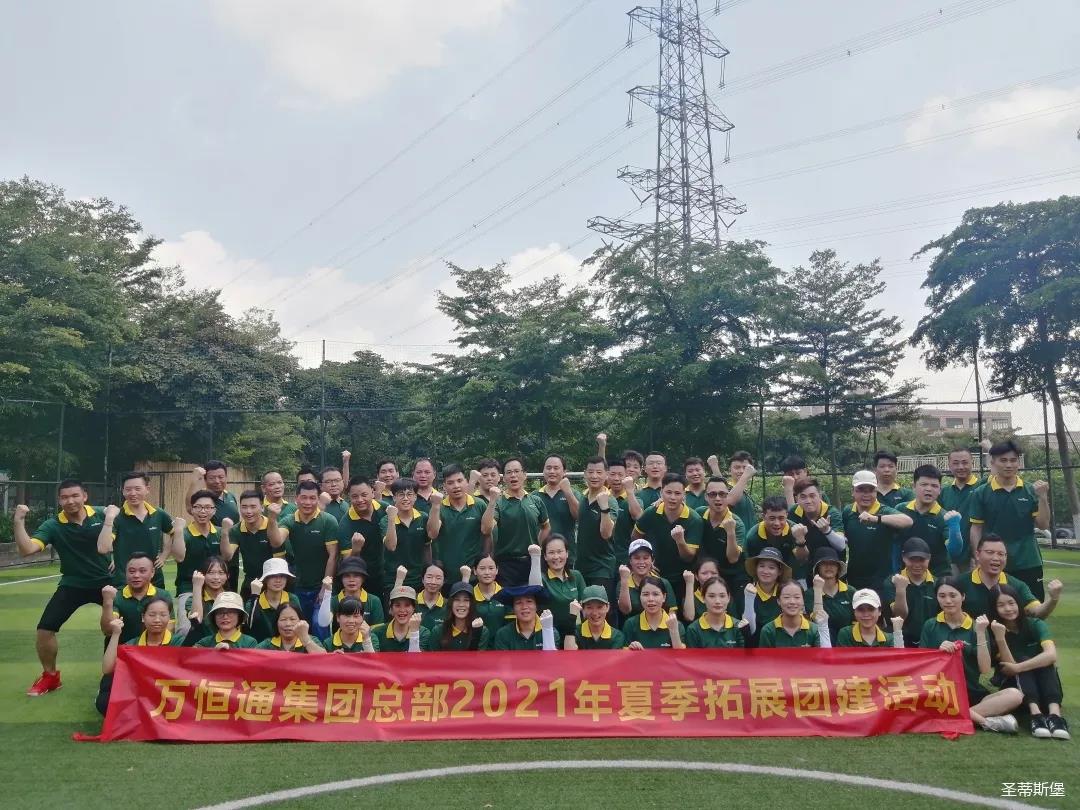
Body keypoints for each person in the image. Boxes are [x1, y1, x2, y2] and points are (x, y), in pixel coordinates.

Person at [14, 482, 111, 696]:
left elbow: (127, 532)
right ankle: (51, 677)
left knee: (114, 627)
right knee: (45, 629)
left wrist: (120, 559)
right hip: (73, 584)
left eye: (75, 495)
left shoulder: (103, 514)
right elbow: (27, 549)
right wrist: (18, 521)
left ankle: (112, 676)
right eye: (65, 497)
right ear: (59, 500)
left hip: (107, 582)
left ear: (85, 496)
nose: (70, 501)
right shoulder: (53, 525)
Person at [918, 577, 1023, 733]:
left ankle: (957, 715)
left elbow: (985, 669)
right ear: (937, 598)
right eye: (942, 596)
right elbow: (921, 665)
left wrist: (980, 633)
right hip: (940, 691)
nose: (948, 601)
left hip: (970, 691)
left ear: (963, 596)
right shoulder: (930, 625)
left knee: (1015, 695)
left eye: (953, 595)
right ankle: (985, 722)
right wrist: (938, 653)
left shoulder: (976, 626)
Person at [969, 440, 1050, 599]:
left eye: (1013, 460)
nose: (1009, 465)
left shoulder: (1030, 490)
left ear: (1019, 462)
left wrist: (1043, 497)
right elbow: (976, 528)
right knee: (996, 607)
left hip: (1028, 561)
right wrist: (978, 557)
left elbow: (1043, 524)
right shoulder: (981, 493)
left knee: (1032, 607)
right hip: (994, 562)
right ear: (993, 463)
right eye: (1003, 460)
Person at [988, 584, 1070, 740]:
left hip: (1043, 685)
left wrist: (1019, 667)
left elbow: (1051, 655)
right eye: (1001, 605)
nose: (1008, 608)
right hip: (1015, 688)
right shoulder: (993, 631)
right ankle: (1036, 715)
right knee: (1024, 659)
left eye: (1011, 603)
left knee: (1043, 661)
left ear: (1018, 603)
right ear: (994, 608)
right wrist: (1000, 637)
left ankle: (1055, 716)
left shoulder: (1035, 624)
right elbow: (1009, 665)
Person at [97, 597, 184, 715]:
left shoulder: (180, 642)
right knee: (104, 699)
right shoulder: (133, 644)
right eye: (152, 615)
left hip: (168, 693)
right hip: (139, 692)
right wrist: (116, 634)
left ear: (169, 617)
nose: (157, 620)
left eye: (163, 615)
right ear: (143, 617)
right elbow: (107, 669)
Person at [98, 472, 182, 589]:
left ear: (147, 489)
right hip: (125, 581)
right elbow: (103, 548)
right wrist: (109, 519)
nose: (133, 493)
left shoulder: (158, 514)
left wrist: (164, 555)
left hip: (154, 580)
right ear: (123, 491)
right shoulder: (117, 517)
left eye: (137, 489)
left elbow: (175, 534)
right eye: (128, 489)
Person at [277, 479, 339, 625]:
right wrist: (273, 519)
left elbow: (333, 556)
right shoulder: (289, 521)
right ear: (296, 498)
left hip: (321, 585)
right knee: (298, 626)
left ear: (318, 500)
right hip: (297, 585)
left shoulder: (328, 521)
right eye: (304, 497)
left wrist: (325, 588)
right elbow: (277, 541)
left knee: (320, 625)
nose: (308, 502)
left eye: (312, 498)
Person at [631, 472, 703, 597]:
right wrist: (647, 561)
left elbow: (689, 557)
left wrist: (680, 541)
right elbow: (635, 537)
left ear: (684, 495)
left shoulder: (694, 519)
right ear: (661, 493)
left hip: (682, 577)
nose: (672, 497)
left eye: (677, 493)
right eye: (668, 492)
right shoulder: (651, 512)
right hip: (654, 575)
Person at [957, 534, 1061, 620]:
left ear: (1006, 557)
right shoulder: (960, 584)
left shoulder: (1017, 585)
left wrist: (1053, 599)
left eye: (1001, 554)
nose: (996, 558)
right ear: (977, 555)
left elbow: (1037, 612)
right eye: (990, 553)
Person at [481, 458, 550, 586]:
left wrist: (538, 546)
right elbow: (486, 529)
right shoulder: (499, 503)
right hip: (506, 565)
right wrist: (492, 501)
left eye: (517, 471)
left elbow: (546, 527)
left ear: (524, 475)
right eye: (509, 472)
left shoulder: (536, 501)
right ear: (504, 478)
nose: (513, 475)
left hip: (532, 561)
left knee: (533, 596)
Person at [842, 470, 912, 591]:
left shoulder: (884, 511)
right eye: (861, 490)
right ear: (853, 491)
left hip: (881, 579)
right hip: (854, 578)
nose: (866, 495)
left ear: (876, 492)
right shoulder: (848, 511)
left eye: (871, 490)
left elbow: (908, 521)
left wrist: (875, 518)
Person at [897, 465, 963, 579]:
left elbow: (954, 551)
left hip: (938, 577)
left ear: (939, 490)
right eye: (924, 484)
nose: (929, 489)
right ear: (914, 487)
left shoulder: (944, 517)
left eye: (934, 486)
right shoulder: (900, 509)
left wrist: (954, 527)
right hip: (905, 576)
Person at [219, 489, 287, 598]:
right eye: (244, 507)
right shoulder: (236, 530)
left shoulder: (273, 527)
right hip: (250, 581)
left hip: (272, 581)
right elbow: (227, 556)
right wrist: (225, 532)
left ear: (262, 507)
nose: (248, 511)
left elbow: (280, 559)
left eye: (253, 507)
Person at [695, 476, 747, 613]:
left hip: (732, 576)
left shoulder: (737, 523)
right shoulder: (699, 513)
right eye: (713, 494)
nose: (718, 498)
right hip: (706, 574)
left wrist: (730, 532)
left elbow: (733, 558)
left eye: (722, 494)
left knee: (735, 614)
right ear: (706, 497)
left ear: (727, 496)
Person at [428, 463, 487, 577]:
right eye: (450, 483)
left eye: (459, 481)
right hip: (446, 574)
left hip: (474, 574)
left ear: (466, 481)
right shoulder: (439, 508)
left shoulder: (479, 505)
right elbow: (432, 534)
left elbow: (487, 534)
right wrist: (435, 507)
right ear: (444, 486)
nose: (456, 486)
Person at [99, 552, 172, 645]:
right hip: (121, 650)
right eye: (132, 571)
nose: (136, 575)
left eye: (142, 571)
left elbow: (169, 629)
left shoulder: (163, 596)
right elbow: (108, 630)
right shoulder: (116, 596)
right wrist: (107, 603)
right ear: (125, 573)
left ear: (152, 572)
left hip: (152, 650)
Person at [174, 490, 220, 627]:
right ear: (191, 510)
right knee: (186, 629)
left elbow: (227, 557)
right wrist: (178, 531)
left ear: (214, 510)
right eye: (198, 507)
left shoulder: (219, 532)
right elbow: (179, 557)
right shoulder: (184, 533)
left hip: (216, 588)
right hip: (188, 588)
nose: (202, 511)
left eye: (207, 507)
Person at [883, 538, 940, 647]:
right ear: (903, 558)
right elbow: (900, 616)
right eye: (912, 559)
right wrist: (900, 589)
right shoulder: (891, 582)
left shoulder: (937, 584)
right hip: (900, 640)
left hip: (930, 641)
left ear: (929, 558)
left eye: (921, 560)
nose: (917, 564)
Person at [786, 478, 846, 583]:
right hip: (807, 571)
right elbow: (800, 557)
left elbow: (841, 546)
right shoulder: (793, 513)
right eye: (803, 497)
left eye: (812, 496)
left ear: (820, 496)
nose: (808, 501)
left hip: (832, 571)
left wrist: (827, 531)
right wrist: (800, 541)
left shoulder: (832, 513)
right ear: (796, 499)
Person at [575, 456, 618, 600]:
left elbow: (606, 534)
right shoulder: (583, 498)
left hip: (602, 568)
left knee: (600, 608)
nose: (594, 476)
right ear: (585, 474)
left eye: (599, 472)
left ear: (606, 474)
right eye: (591, 472)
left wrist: (604, 508)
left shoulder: (610, 501)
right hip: (581, 567)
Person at [338, 475, 386, 603]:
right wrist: (356, 549)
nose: (360, 500)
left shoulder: (385, 509)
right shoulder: (345, 524)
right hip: (363, 579)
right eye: (355, 496)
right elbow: (347, 562)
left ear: (372, 492)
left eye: (364, 495)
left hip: (387, 574)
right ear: (349, 497)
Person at [381, 477, 430, 593]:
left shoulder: (423, 518)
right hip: (392, 579)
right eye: (401, 495)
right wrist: (392, 519)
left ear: (415, 497)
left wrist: (427, 572)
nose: (406, 498)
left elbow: (427, 547)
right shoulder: (386, 520)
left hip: (418, 579)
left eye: (409, 494)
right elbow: (391, 546)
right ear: (394, 497)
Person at [533, 535, 587, 638]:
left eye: (560, 551)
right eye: (551, 552)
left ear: (567, 553)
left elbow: (585, 605)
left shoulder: (576, 576)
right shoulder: (540, 578)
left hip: (574, 634)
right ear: (545, 556)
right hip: (550, 634)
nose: (556, 557)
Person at [940, 446, 984, 568]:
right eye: (955, 463)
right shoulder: (944, 492)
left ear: (972, 463)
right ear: (949, 465)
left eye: (965, 462)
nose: (960, 467)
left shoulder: (982, 487)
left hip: (977, 558)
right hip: (950, 559)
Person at [757, 580, 830, 648]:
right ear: (778, 601)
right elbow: (764, 657)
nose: (792, 601)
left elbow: (821, 656)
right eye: (786, 597)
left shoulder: (813, 630)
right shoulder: (768, 630)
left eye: (797, 597)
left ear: (803, 600)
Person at [747, 496, 802, 585]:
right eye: (772, 518)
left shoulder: (795, 531)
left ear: (786, 515)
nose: (777, 523)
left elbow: (802, 558)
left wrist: (801, 541)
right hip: (764, 577)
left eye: (781, 518)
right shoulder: (753, 536)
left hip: (793, 577)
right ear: (763, 517)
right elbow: (751, 566)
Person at [245, 558, 303, 642]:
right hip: (260, 647)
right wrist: (254, 596)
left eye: (282, 576)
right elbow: (249, 626)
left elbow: (299, 625)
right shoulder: (253, 601)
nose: (278, 580)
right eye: (273, 576)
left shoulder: (292, 599)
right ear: (265, 579)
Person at [321, 555, 384, 631]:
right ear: (341, 579)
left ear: (363, 578)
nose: (351, 580)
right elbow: (323, 623)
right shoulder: (334, 601)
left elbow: (377, 631)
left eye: (356, 576)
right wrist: (327, 592)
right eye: (347, 576)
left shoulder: (374, 601)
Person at [741, 546, 790, 645]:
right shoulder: (745, 592)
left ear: (779, 571)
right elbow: (746, 628)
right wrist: (749, 598)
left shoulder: (786, 593)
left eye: (771, 567)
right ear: (756, 568)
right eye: (761, 566)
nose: (765, 571)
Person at [617, 539, 677, 618]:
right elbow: (625, 610)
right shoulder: (623, 583)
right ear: (630, 561)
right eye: (637, 558)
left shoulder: (663, 582)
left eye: (645, 558)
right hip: (632, 625)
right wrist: (624, 580)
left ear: (652, 561)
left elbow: (672, 613)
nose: (641, 562)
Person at [537, 455, 580, 564]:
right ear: (543, 471)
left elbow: (579, 517)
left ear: (564, 472)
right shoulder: (534, 496)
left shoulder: (574, 494)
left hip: (567, 556)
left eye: (556, 468)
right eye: (548, 468)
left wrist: (567, 491)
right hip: (541, 556)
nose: (552, 471)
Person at [684, 576, 748, 649]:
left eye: (722, 596)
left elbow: (743, 655)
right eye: (711, 596)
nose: (717, 601)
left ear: (728, 598)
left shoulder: (738, 626)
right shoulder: (693, 629)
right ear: (703, 598)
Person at [803, 547, 853, 640]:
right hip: (821, 640)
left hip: (848, 642)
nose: (829, 567)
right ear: (817, 568)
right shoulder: (809, 594)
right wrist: (818, 590)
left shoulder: (851, 591)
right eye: (824, 563)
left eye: (833, 563)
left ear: (838, 568)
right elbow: (818, 620)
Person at [621, 578, 685, 650]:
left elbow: (680, 655)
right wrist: (632, 650)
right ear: (640, 597)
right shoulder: (631, 624)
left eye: (655, 594)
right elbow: (624, 654)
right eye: (645, 594)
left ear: (664, 597)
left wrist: (674, 632)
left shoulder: (676, 625)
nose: (650, 599)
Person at [492, 585, 560, 650]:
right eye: (518, 602)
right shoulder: (503, 634)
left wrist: (547, 632)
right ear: (513, 609)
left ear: (536, 606)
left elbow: (551, 657)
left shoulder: (552, 632)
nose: (524, 607)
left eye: (529, 601)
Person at [181, 557, 230, 641]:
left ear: (227, 576)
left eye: (221, 573)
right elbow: (197, 620)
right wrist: (197, 586)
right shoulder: (192, 599)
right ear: (202, 575)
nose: (216, 577)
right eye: (211, 573)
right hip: (203, 644)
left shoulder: (232, 598)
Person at [432, 581, 491, 651]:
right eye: (457, 600)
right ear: (451, 603)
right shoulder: (438, 630)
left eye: (466, 600)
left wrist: (476, 634)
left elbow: (479, 657)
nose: (461, 604)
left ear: (472, 604)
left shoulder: (482, 631)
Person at [835, 589, 905, 648]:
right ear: (854, 612)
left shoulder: (888, 639)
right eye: (861, 609)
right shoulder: (845, 634)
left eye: (871, 609)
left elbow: (899, 659)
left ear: (879, 611)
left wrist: (898, 634)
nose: (866, 614)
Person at [606, 457, 642, 569]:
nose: (616, 478)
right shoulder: (602, 497)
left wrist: (629, 491)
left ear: (626, 476)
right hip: (603, 560)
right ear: (606, 475)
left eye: (620, 475)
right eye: (612, 474)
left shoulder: (634, 499)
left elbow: (638, 517)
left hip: (625, 560)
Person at [369, 586, 431, 652]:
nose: (402, 610)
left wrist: (414, 633)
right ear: (391, 608)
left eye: (407, 605)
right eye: (397, 605)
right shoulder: (377, 632)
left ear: (413, 608)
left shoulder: (423, 633)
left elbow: (416, 658)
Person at [564, 585, 625, 650]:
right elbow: (569, 654)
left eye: (599, 607)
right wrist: (572, 617)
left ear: (607, 607)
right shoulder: (575, 632)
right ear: (583, 608)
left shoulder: (617, 636)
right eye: (589, 607)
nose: (595, 613)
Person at [193, 592, 258, 648]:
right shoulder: (205, 642)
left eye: (230, 612)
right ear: (214, 617)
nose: (225, 617)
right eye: (220, 613)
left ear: (239, 616)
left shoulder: (250, 642)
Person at [255, 602, 325, 653]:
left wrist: (306, 640)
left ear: (300, 621)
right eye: (283, 619)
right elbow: (253, 658)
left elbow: (324, 659)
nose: (288, 624)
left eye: (292, 619)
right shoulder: (267, 645)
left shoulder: (312, 640)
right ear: (276, 623)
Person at [185, 460, 239, 527]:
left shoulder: (230, 496)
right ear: (205, 480)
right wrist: (194, 480)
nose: (217, 481)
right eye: (212, 478)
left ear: (226, 478)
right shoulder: (202, 498)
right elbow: (190, 508)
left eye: (221, 477)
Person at [471, 554, 512, 633]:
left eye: (491, 568)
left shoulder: (507, 595)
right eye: (482, 568)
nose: (487, 572)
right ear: (475, 571)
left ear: (497, 570)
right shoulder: (470, 596)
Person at [680, 556, 722, 622]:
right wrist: (689, 583)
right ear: (696, 576)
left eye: (714, 573)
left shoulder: (724, 596)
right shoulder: (690, 598)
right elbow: (689, 617)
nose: (709, 577)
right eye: (704, 573)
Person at [416, 563, 448, 631]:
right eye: (429, 577)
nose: (433, 582)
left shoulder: (448, 605)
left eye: (438, 578)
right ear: (422, 579)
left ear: (443, 581)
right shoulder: (411, 600)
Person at [319, 455, 350, 522]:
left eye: (337, 480)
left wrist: (346, 462)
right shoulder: (314, 505)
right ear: (321, 486)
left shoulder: (345, 505)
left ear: (342, 482)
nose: (333, 484)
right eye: (328, 481)